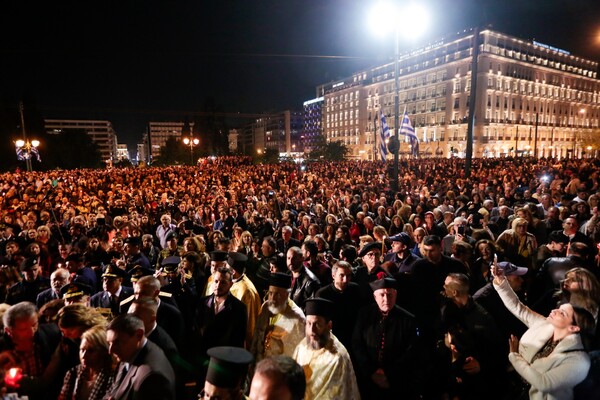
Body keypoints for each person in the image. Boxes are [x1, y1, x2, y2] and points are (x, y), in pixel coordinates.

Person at [491, 261, 594, 400]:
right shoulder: (546, 323)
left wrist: (514, 356)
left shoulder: (579, 358)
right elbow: (518, 308)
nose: (553, 310)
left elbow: (545, 383)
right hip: (517, 389)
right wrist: (501, 281)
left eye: (574, 279)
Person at [352, 277, 422, 399]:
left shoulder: (408, 319)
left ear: (396, 295)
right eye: (382, 295)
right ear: (375, 297)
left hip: (397, 380)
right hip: (368, 378)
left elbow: (411, 351)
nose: (386, 299)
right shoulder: (364, 314)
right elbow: (357, 344)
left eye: (390, 295)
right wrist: (371, 372)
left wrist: (388, 374)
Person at [292, 298, 360, 400]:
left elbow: (337, 396)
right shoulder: (301, 347)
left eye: (317, 324)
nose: (312, 330)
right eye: (309, 324)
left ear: (329, 326)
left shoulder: (338, 358)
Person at [105, 314, 175, 399]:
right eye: (109, 343)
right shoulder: (128, 353)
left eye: (117, 343)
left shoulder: (153, 378)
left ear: (138, 335)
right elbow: (113, 392)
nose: (110, 350)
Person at [250, 272, 305, 364]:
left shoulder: (298, 319)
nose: (272, 299)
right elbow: (256, 339)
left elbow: (296, 357)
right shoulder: (265, 307)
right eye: (270, 293)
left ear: (287, 295)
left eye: (277, 294)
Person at [58, 325, 115, 400]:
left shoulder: (111, 377)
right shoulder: (73, 373)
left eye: (90, 351)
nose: (84, 355)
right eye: (82, 350)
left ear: (104, 352)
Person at [315, 261, 361, 350]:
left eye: (348, 276)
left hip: (352, 337)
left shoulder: (355, 289)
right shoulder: (322, 294)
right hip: (332, 338)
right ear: (333, 276)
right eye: (342, 275)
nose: (345, 280)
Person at [228, 252, 261, 349]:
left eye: (226, 267)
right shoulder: (236, 281)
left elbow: (249, 322)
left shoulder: (246, 291)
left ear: (233, 272)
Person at [287, 247, 320, 312]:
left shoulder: (311, 282)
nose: (290, 261)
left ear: (302, 259)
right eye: (288, 258)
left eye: (294, 258)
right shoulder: (288, 274)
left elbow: (311, 309)